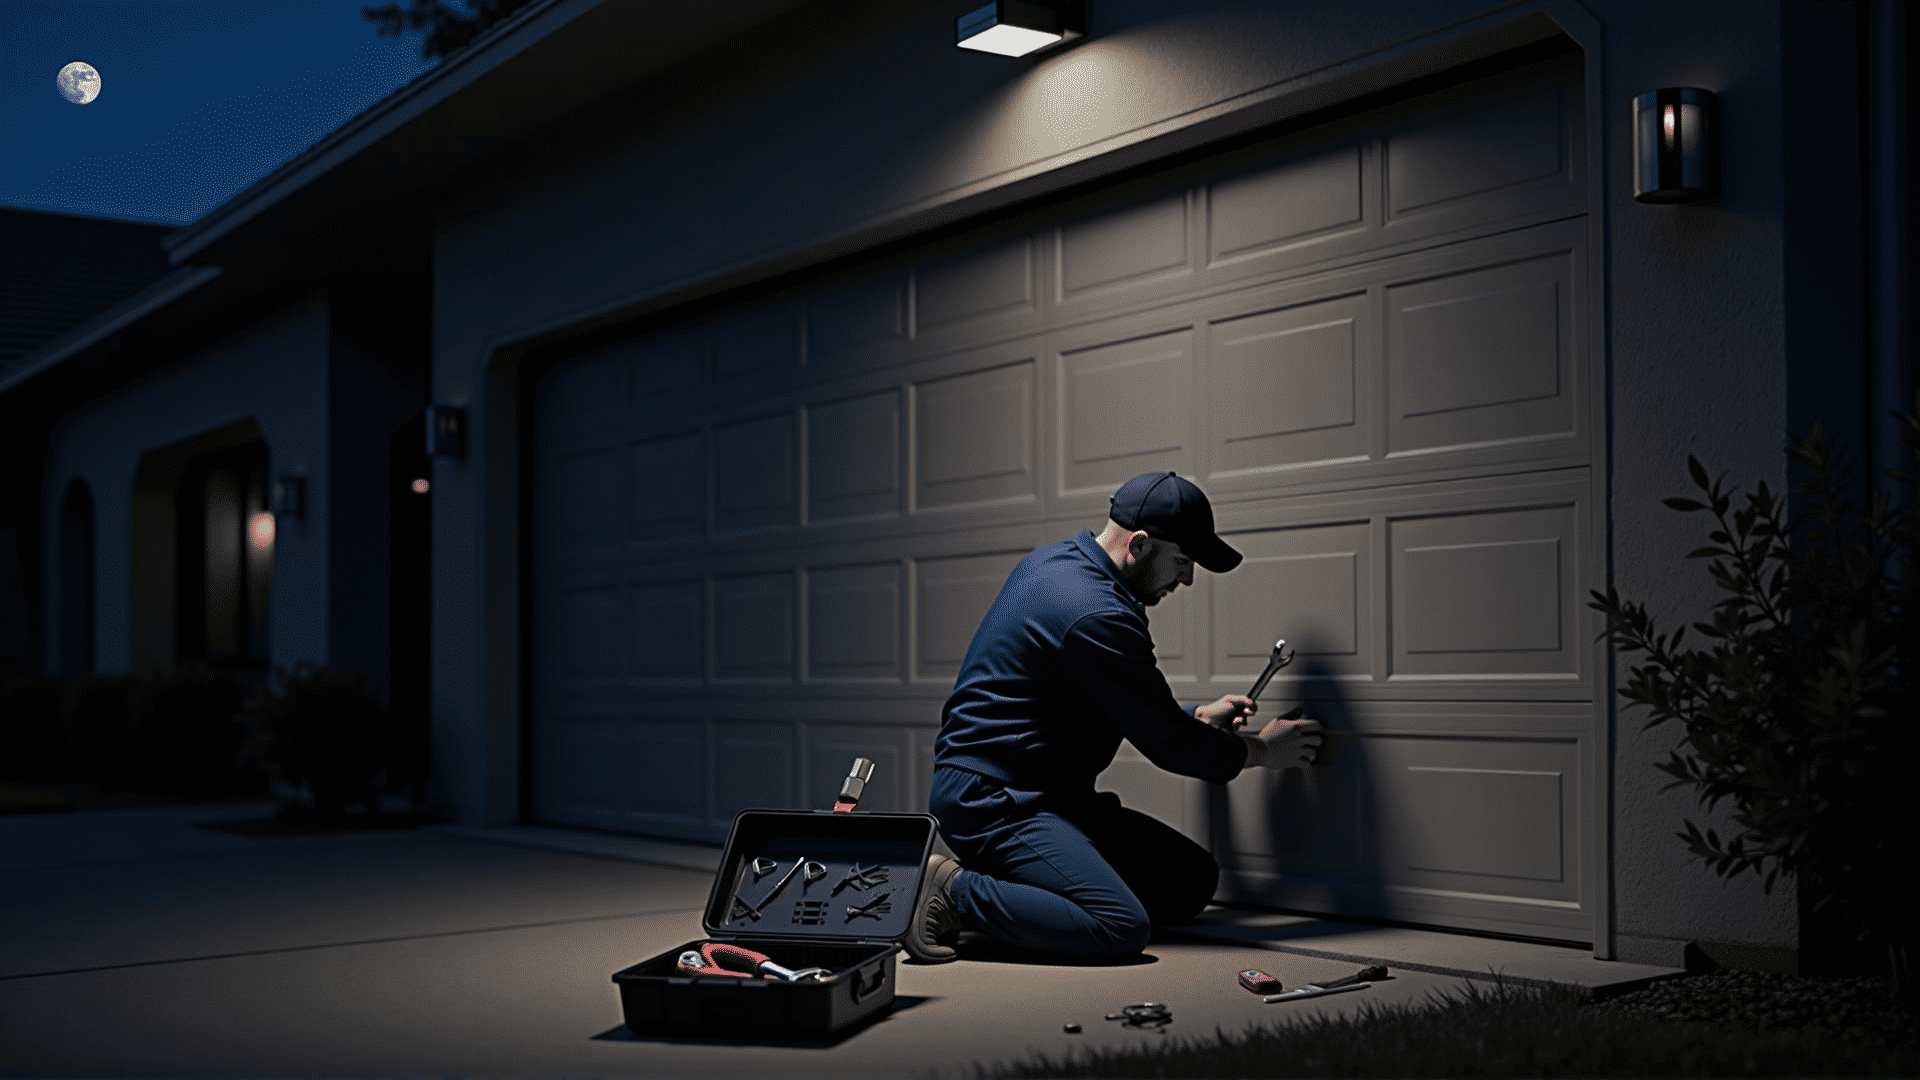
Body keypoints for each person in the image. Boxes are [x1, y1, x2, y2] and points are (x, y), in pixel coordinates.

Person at [903, 471, 1323, 963]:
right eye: (1183, 561)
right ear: (1140, 545)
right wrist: (1261, 751)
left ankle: (1026, 885)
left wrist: (1196, 714)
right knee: (1119, 925)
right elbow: (1167, 743)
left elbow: (1110, 698)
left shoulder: (1059, 562)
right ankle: (953, 891)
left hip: (1052, 795)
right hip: (997, 801)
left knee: (1190, 882)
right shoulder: (1095, 611)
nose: (1187, 580)